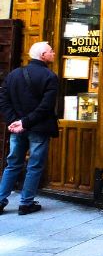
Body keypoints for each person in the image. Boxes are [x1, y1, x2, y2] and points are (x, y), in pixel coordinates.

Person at [0, 41, 59, 215]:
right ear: (43, 55)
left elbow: (3, 100)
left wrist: (14, 121)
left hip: (17, 128)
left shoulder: (14, 75)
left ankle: (0, 200)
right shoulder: (50, 77)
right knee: (35, 165)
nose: (54, 53)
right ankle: (26, 203)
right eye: (51, 51)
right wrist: (25, 123)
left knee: (12, 164)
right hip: (38, 129)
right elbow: (46, 107)